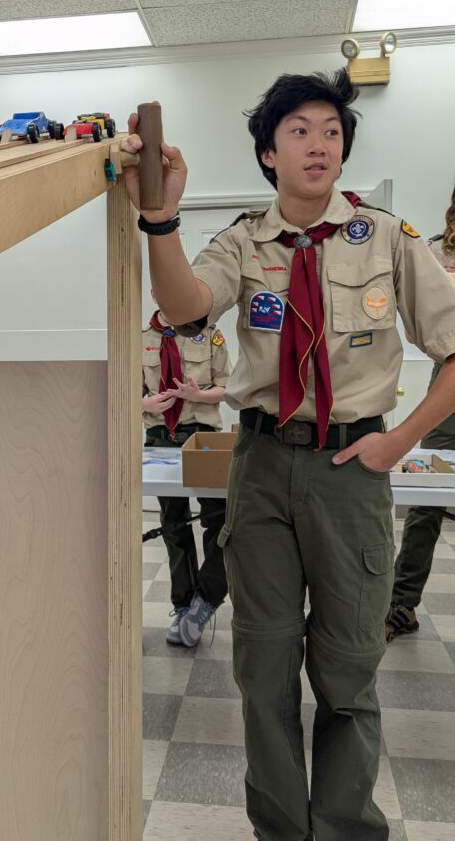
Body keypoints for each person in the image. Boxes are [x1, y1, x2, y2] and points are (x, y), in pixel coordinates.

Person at [122, 70, 455, 841]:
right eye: (299, 130)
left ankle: (344, 829)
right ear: (269, 153)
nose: (319, 144)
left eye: (331, 131)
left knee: (348, 671)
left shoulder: (389, 237)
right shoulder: (242, 241)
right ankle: (280, 831)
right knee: (264, 671)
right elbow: (184, 308)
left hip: (353, 469)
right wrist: (160, 221)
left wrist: (400, 440)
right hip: (264, 466)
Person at [385, 186, 455, 641]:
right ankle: (401, 605)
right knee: (428, 495)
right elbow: (418, 328)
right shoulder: (433, 251)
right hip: (448, 380)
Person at [143, 296, 231, 646]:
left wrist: (199, 396)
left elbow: (228, 388)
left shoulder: (209, 334)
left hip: (202, 437)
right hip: (160, 439)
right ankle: (182, 606)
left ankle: (206, 599)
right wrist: (145, 403)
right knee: (173, 524)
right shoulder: (140, 338)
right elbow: (125, 391)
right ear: (155, 294)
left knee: (221, 521)